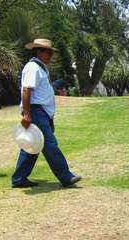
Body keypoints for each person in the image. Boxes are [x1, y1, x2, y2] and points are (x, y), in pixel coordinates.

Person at [11, 39, 82, 188]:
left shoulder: (40, 68)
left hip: (41, 112)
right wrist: (27, 114)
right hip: (36, 111)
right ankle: (65, 176)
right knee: (50, 145)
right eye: (47, 52)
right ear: (38, 51)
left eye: (51, 52)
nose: (50, 55)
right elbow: (26, 90)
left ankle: (19, 178)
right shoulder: (33, 68)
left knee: (33, 145)